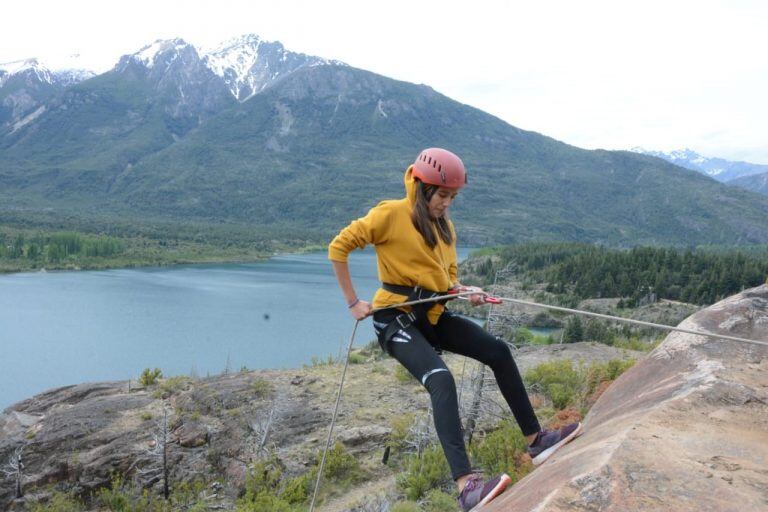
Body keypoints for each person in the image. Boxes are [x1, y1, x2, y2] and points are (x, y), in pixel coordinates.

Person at [328, 148, 583, 511]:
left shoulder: (446, 228)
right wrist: (353, 301)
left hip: (431, 315)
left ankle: (537, 440)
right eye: (442, 194)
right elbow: (339, 247)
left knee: (498, 350)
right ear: (420, 186)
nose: (446, 203)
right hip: (395, 317)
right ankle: (466, 488)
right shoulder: (390, 214)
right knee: (441, 379)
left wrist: (466, 292)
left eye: (452, 197)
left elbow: (446, 282)